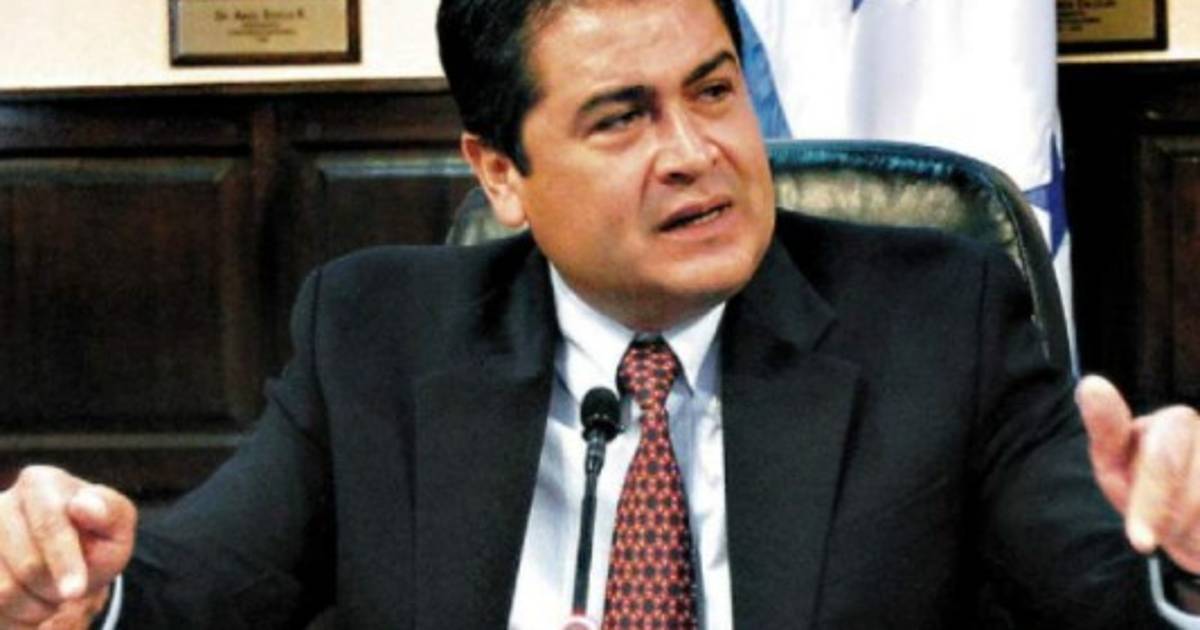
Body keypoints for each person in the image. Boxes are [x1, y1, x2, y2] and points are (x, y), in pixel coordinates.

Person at [3, 0, 1200, 627]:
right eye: (622, 117)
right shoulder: (372, 334)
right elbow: (196, 587)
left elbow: (1108, 590)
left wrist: (1188, 562)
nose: (697, 152)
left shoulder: (938, 318)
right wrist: (71, 590)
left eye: (714, 90)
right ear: (501, 175)